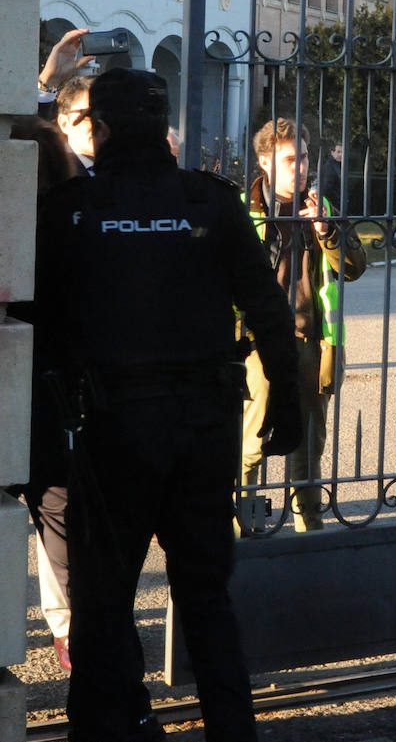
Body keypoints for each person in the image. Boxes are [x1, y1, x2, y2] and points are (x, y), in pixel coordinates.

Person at [33, 68, 303, 742]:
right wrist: (286, 402)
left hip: (111, 430)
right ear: (162, 126)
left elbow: (39, 322)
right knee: (206, 599)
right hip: (203, 426)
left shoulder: (70, 210)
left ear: (101, 127)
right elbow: (268, 308)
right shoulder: (209, 201)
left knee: (103, 602)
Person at [241, 118, 367, 532]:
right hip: (256, 344)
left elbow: (354, 268)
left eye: (306, 157)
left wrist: (326, 231)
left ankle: (308, 530)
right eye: (291, 158)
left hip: (312, 341)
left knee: (308, 446)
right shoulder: (244, 209)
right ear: (265, 161)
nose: (302, 166)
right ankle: (241, 528)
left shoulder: (320, 208)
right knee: (252, 441)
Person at [5, 117, 79, 672]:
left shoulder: (14, 228)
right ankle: (75, 636)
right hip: (57, 396)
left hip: (19, 391)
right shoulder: (75, 225)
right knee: (59, 517)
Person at [317, 140, 344, 207]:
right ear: (332, 153)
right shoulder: (329, 167)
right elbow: (327, 188)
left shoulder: (339, 165)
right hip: (332, 203)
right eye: (338, 152)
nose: (341, 154)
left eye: (342, 152)